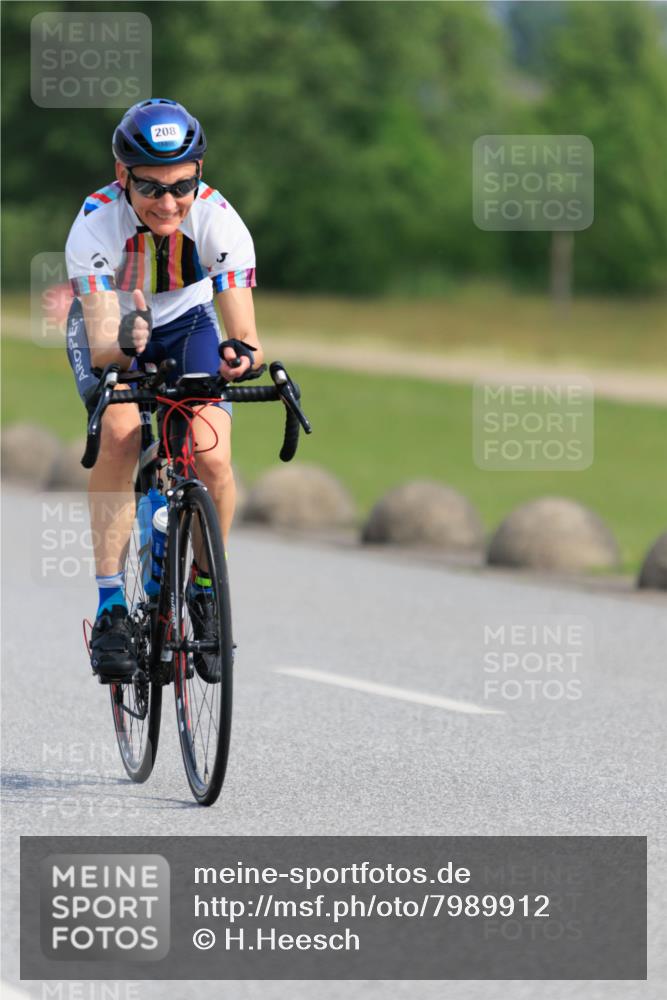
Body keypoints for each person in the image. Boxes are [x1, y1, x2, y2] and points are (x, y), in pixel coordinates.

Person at [65, 98, 264, 682]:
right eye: (151, 188)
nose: (169, 203)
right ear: (122, 175)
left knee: (210, 454)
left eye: (183, 185)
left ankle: (204, 588)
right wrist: (126, 341)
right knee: (122, 436)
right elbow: (105, 343)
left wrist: (239, 357)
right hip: (112, 325)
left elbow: (244, 333)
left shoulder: (218, 219)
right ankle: (110, 608)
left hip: (187, 323)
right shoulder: (95, 223)